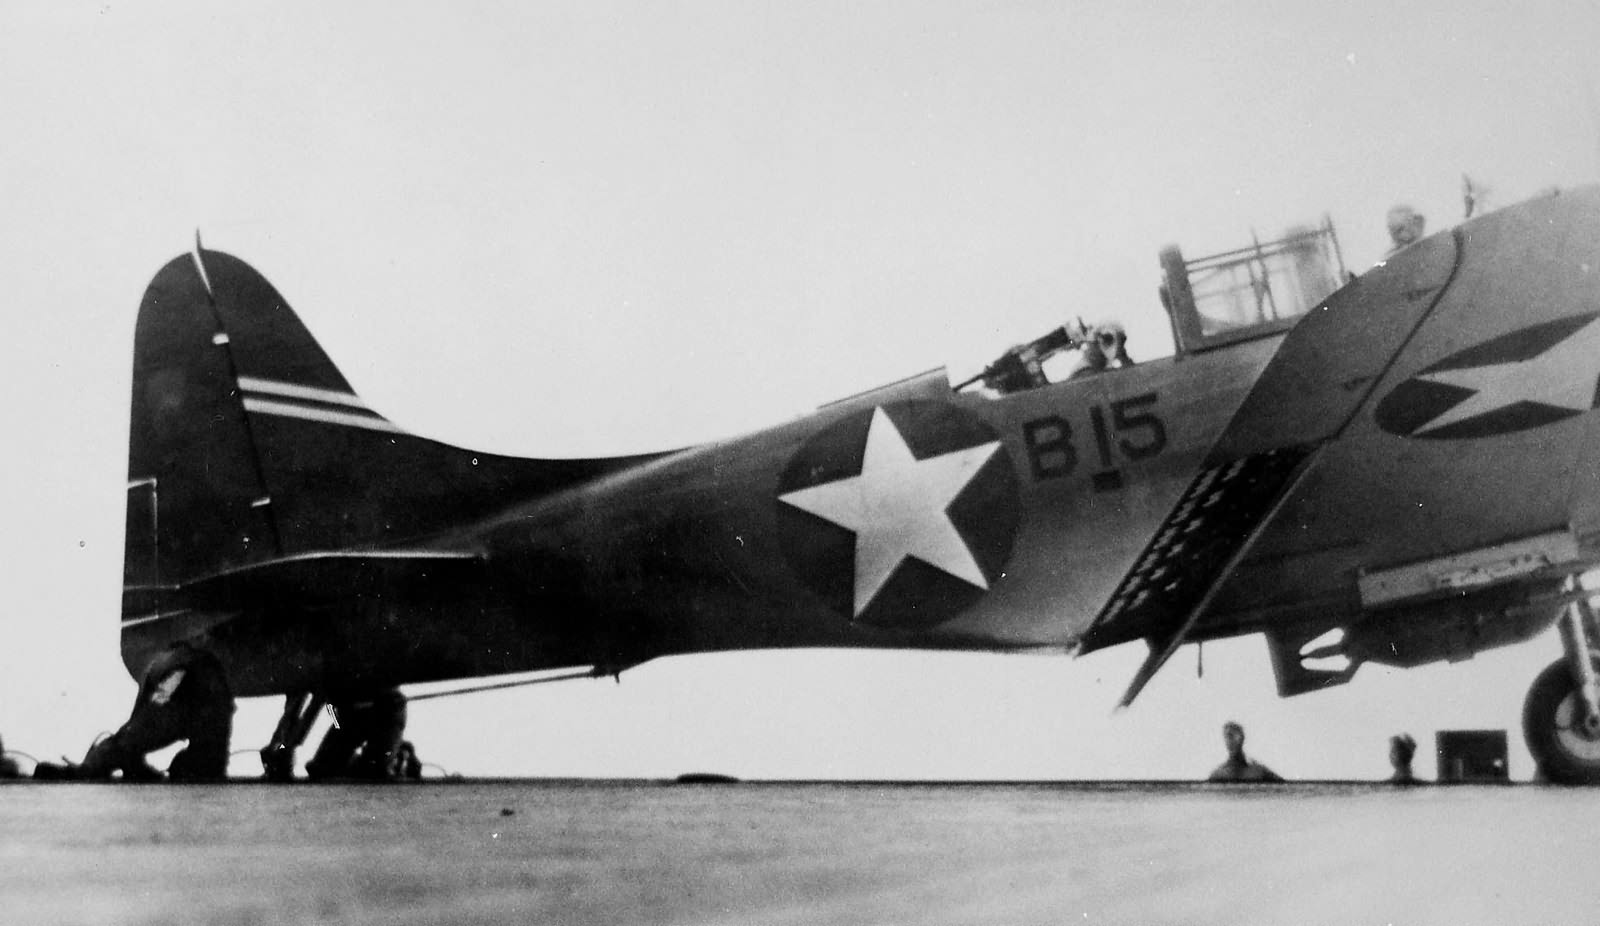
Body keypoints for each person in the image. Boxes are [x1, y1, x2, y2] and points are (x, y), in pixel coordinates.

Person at [75, 641, 235, 781]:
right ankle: (106, 757)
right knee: (208, 748)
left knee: (144, 726)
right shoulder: (202, 669)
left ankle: (113, 756)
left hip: (173, 665)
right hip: (187, 669)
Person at [305, 688, 411, 781]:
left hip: (386, 706)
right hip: (353, 711)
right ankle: (391, 755)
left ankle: (394, 756)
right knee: (321, 768)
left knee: (377, 768)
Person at [1207, 721, 1283, 782]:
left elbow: (1284, 788)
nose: (1234, 741)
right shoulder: (1219, 775)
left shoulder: (1258, 772)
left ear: (1243, 738)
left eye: (1237, 736)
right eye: (1229, 736)